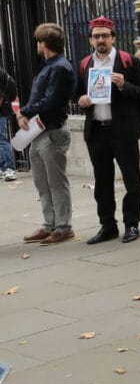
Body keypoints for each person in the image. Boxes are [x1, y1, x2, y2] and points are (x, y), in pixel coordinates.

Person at [76, 16, 140, 245]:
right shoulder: (86, 64)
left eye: (105, 35)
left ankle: (132, 225)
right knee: (102, 182)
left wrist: (123, 85)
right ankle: (108, 226)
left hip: (123, 130)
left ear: (113, 38)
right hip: (97, 131)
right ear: (90, 40)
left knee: (132, 180)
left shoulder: (128, 61)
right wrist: (82, 100)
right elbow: (77, 94)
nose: (101, 40)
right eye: (96, 36)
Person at [19, 23, 76, 246]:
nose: (37, 44)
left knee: (56, 181)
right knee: (42, 181)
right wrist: (25, 114)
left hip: (52, 131)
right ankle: (49, 223)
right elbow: (38, 97)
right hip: (39, 130)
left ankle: (63, 226)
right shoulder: (49, 65)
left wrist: (25, 111)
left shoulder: (60, 67)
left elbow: (52, 101)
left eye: (38, 41)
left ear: (44, 44)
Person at [0, 66, 18, 181]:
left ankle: (9, 168)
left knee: (2, 139)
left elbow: (0, 96)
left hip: (1, 111)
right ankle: (3, 167)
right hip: (3, 109)